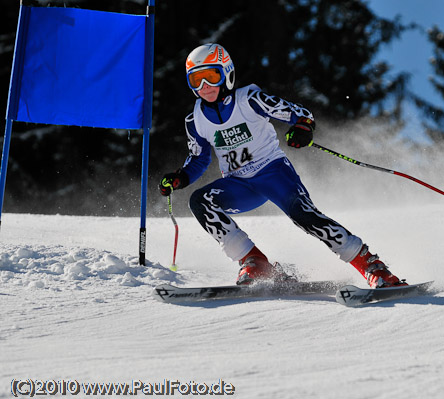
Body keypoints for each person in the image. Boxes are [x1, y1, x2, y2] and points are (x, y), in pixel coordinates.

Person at [159, 43, 407, 288]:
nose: (205, 87)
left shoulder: (250, 99)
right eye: (196, 80)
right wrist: (180, 177)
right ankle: (254, 262)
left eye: (211, 77)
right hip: (239, 185)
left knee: (304, 216)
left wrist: (302, 127)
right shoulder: (195, 119)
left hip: (273, 172)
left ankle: (372, 267)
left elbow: (300, 113)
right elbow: (199, 158)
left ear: (227, 74)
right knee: (200, 201)